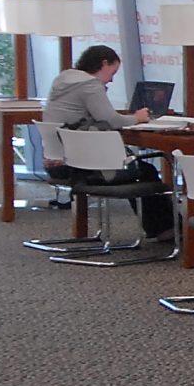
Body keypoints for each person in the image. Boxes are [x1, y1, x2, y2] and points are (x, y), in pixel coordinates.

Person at [43, 44, 173, 240]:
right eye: (112, 72)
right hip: (82, 167)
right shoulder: (89, 85)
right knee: (145, 171)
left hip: (60, 163)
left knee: (141, 169)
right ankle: (168, 230)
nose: (112, 79)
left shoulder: (63, 80)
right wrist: (137, 118)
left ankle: (163, 229)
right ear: (103, 63)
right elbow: (110, 120)